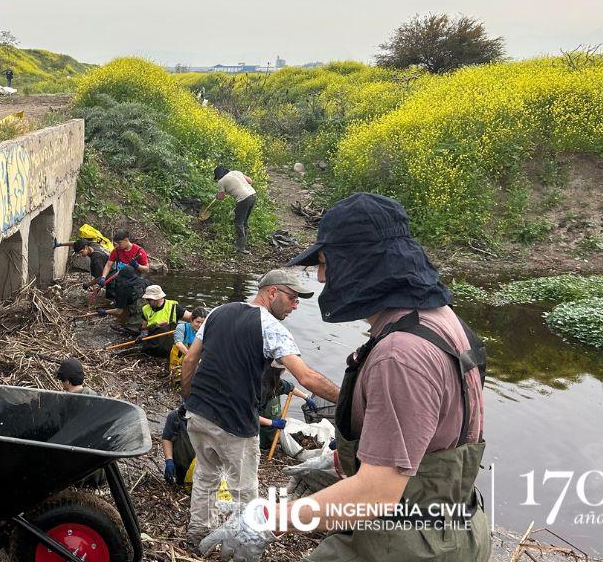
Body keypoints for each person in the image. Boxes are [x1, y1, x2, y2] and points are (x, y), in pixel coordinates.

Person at [200, 194, 490, 562]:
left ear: (363, 260)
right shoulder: (442, 320)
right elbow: (436, 432)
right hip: (449, 525)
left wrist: (267, 518)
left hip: (412, 544)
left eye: (325, 263)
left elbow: (376, 493)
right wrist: (342, 462)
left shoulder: (401, 355)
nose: (321, 277)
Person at [180, 269, 340, 545]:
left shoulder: (218, 312)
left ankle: (198, 534)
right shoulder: (273, 328)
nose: (295, 305)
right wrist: (350, 399)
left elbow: (190, 359)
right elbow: (306, 377)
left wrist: (188, 399)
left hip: (198, 412)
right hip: (234, 422)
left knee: (206, 476)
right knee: (245, 490)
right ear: (272, 292)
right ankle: (244, 543)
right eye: (292, 298)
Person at [256, 365, 317, 448]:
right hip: (260, 432)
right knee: (261, 446)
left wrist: (306, 397)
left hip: (273, 429)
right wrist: (273, 423)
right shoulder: (259, 389)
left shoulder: (276, 382)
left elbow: (290, 388)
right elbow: (250, 416)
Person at [137, 285, 193, 357]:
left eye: (149, 299)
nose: (147, 302)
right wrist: (142, 334)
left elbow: (191, 318)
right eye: (147, 299)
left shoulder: (173, 307)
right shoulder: (145, 309)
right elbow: (144, 327)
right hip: (152, 344)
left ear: (158, 298)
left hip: (168, 345)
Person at [214, 165, 257, 252]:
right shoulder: (236, 172)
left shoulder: (221, 181)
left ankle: (240, 247)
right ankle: (242, 243)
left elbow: (220, 197)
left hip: (243, 199)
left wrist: (217, 195)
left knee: (239, 223)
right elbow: (250, 180)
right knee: (244, 221)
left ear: (218, 175)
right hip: (253, 195)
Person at [162, 405, 196, 487]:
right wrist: (169, 460)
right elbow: (167, 438)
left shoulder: (209, 419)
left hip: (205, 473)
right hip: (182, 473)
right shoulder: (175, 417)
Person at [170, 307, 207, 382]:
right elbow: (178, 343)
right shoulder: (182, 327)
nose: (200, 325)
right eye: (197, 322)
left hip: (197, 361)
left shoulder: (206, 331)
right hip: (180, 360)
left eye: (202, 323)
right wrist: (192, 358)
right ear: (191, 320)